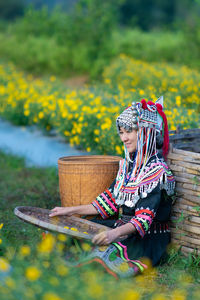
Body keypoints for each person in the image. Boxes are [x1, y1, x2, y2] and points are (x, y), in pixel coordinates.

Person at [49, 97, 175, 278]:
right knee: (74, 230)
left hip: (146, 238)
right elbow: (106, 203)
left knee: (105, 252)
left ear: (146, 132)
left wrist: (114, 234)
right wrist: (68, 211)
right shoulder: (128, 167)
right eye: (121, 133)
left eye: (129, 132)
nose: (124, 138)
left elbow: (142, 221)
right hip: (121, 227)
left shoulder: (158, 172)